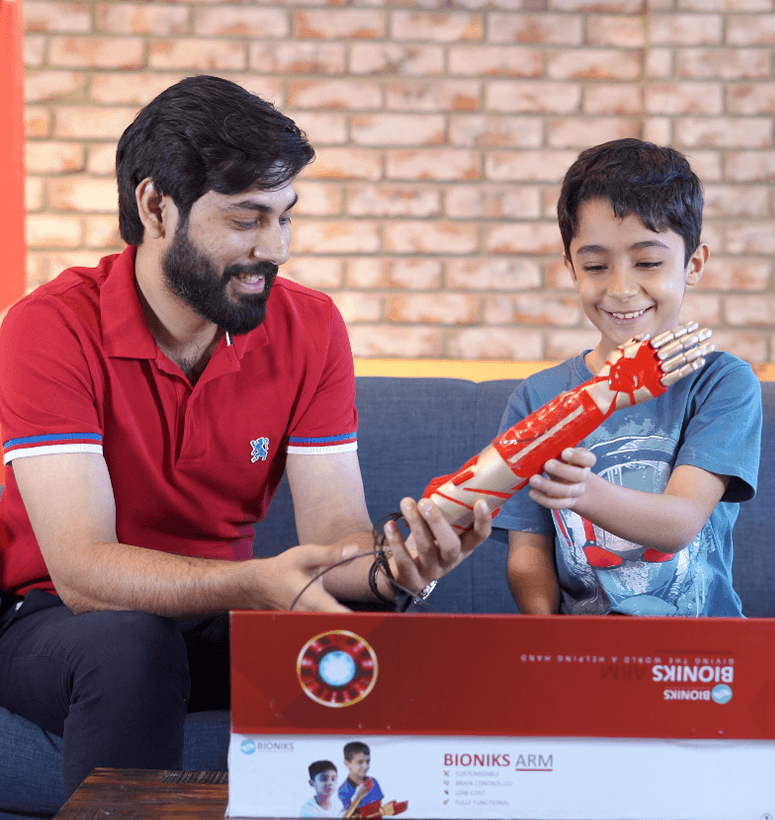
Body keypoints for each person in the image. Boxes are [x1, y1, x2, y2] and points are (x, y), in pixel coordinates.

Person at [0, 75, 493, 799]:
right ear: (155, 207)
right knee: (131, 644)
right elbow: (82, 572)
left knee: (383, 632)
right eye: (246, 219)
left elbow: (335, 538)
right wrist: (260, 582)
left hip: (220, 616)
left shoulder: (310, 327)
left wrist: (396, 571)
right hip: (60, 622)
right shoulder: (49, 327)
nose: (277, 247)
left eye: (285, 217)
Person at [494, 138, 762, 617]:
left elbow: (681, 522)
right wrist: (549, 640)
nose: (620, 289)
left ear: (693, 265)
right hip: (584, 648)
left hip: (704, 647)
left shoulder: (722, 383)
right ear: (571, 268)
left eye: (649, 262)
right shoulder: (537, 396)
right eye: (596, 266)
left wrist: (581, 491)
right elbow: (528, 556)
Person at [338, 741, 384, 811]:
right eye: (360, 762)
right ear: (347, 763)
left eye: (367, 761)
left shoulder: (373, 782)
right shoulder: (343, 792)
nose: (365, 766)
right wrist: (358, 796)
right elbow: (346, 814)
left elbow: (379, 808)